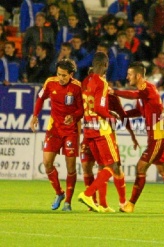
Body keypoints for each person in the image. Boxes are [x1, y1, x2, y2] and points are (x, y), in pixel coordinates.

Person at [110, 61, 164, 214]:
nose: (127, 77)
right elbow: (138, 111)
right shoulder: (143, 92)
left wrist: (114, 92)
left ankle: (130, 204)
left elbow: (133, 95)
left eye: (129, 74)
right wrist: (121, 115)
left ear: (138, 76)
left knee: (141, 167)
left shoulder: (147, 88)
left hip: (158, 135)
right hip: (156, 134)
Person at [80, 67, 139, 210]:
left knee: (113, 167)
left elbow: (123, 115)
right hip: (91, 132)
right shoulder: (84, 90)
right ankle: (95, 202)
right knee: (91, 167)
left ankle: (120, 202)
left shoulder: (110, 95)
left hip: (106, 134)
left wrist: (132, 135)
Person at [30, 58, 84, 211]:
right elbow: (40, 99)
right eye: (59, 74)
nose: (61, 78)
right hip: (54, 128)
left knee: (71, 167)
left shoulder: (77, 87)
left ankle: (68, 202)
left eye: (64, 75)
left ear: (71, 74)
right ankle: (59, 193)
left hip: (71, 130)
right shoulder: (50, 82)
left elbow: (82, 109)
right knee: (47, 163)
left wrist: (73, 117)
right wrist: (35, 116)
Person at [77, 52, 127, 213]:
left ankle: (102, 205)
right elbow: (99, 107)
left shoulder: (86, 81)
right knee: (112, 165)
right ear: (106, 65)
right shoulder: (102, 83)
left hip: (88, 128)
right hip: (101, 129)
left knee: (102, 166)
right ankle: (88, 194)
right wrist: (109, 116)